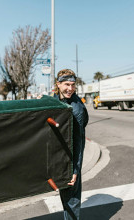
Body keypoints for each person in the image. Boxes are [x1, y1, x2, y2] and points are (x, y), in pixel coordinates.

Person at [53, 69, 89, 220]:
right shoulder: (55, 100)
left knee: (71, 199)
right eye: (67, 84)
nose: (70, 89)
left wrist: (75, 169)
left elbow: (79, 143)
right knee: (65, 196)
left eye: (73, 85)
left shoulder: (77, 109)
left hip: (71, 158)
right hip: (59, 156)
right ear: (58, 84)